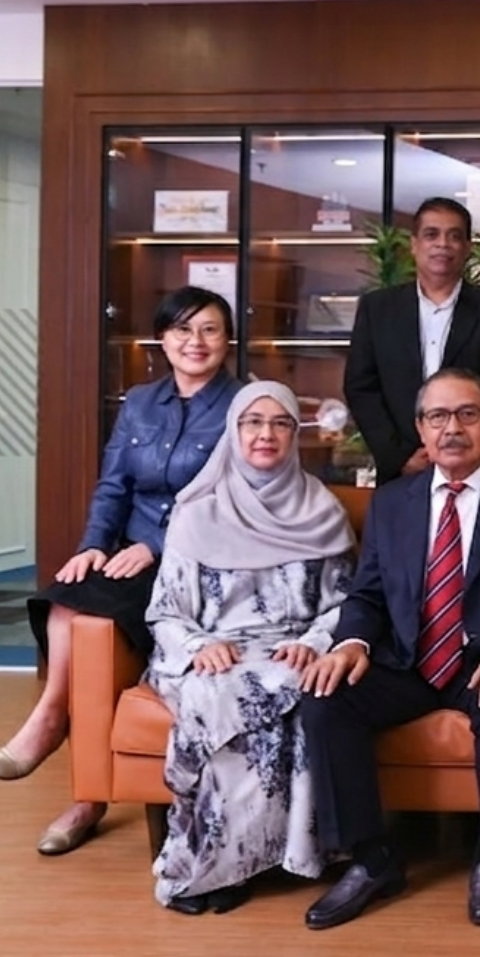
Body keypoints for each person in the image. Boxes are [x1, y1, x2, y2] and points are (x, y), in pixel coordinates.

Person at [297, 368, 480, 930]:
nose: (453, 429)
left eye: (467, 414)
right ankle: (371, 858)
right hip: (408, 659)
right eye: (438, 417)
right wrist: (350, 642)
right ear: (421, 429)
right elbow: (368, 594)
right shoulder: (392, 503)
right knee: (325, 698)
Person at [0, 286, 242, 858]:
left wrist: (154, 545)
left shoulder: (243, 406)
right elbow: (114, 486)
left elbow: (234, 499)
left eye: (209, 329)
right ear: (162, 339)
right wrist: (92, 547)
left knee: (89, 621)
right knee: (67, 596)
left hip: (204, 560)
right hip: (132, 555)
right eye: (182, 329)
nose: (195, 341)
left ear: (228, 340)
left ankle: (64, 753)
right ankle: (72, 761)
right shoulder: (141, 402)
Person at [144, 382, 356, 914]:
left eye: (281, 423)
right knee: (220, 695)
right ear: (233, 432)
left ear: (295, 434)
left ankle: (260, 859)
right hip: (212, 653)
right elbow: (165, 611)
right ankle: (209, 867)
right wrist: (199, 645)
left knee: (305, 693)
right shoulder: (197, 512)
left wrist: (314, 642)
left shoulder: (322, 509)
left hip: (290, 653)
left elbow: (347, 604)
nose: (266, 434)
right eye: (252, 422)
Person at [344, 196, 480, 481]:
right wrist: (399, 455)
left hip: (474, 466)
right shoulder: (377, 308)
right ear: (414, 245)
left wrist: (456, 448)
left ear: (467, 248)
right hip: (401, 470)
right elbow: (361, 386)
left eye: (454, 236)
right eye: (431, 235)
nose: (443, 244)